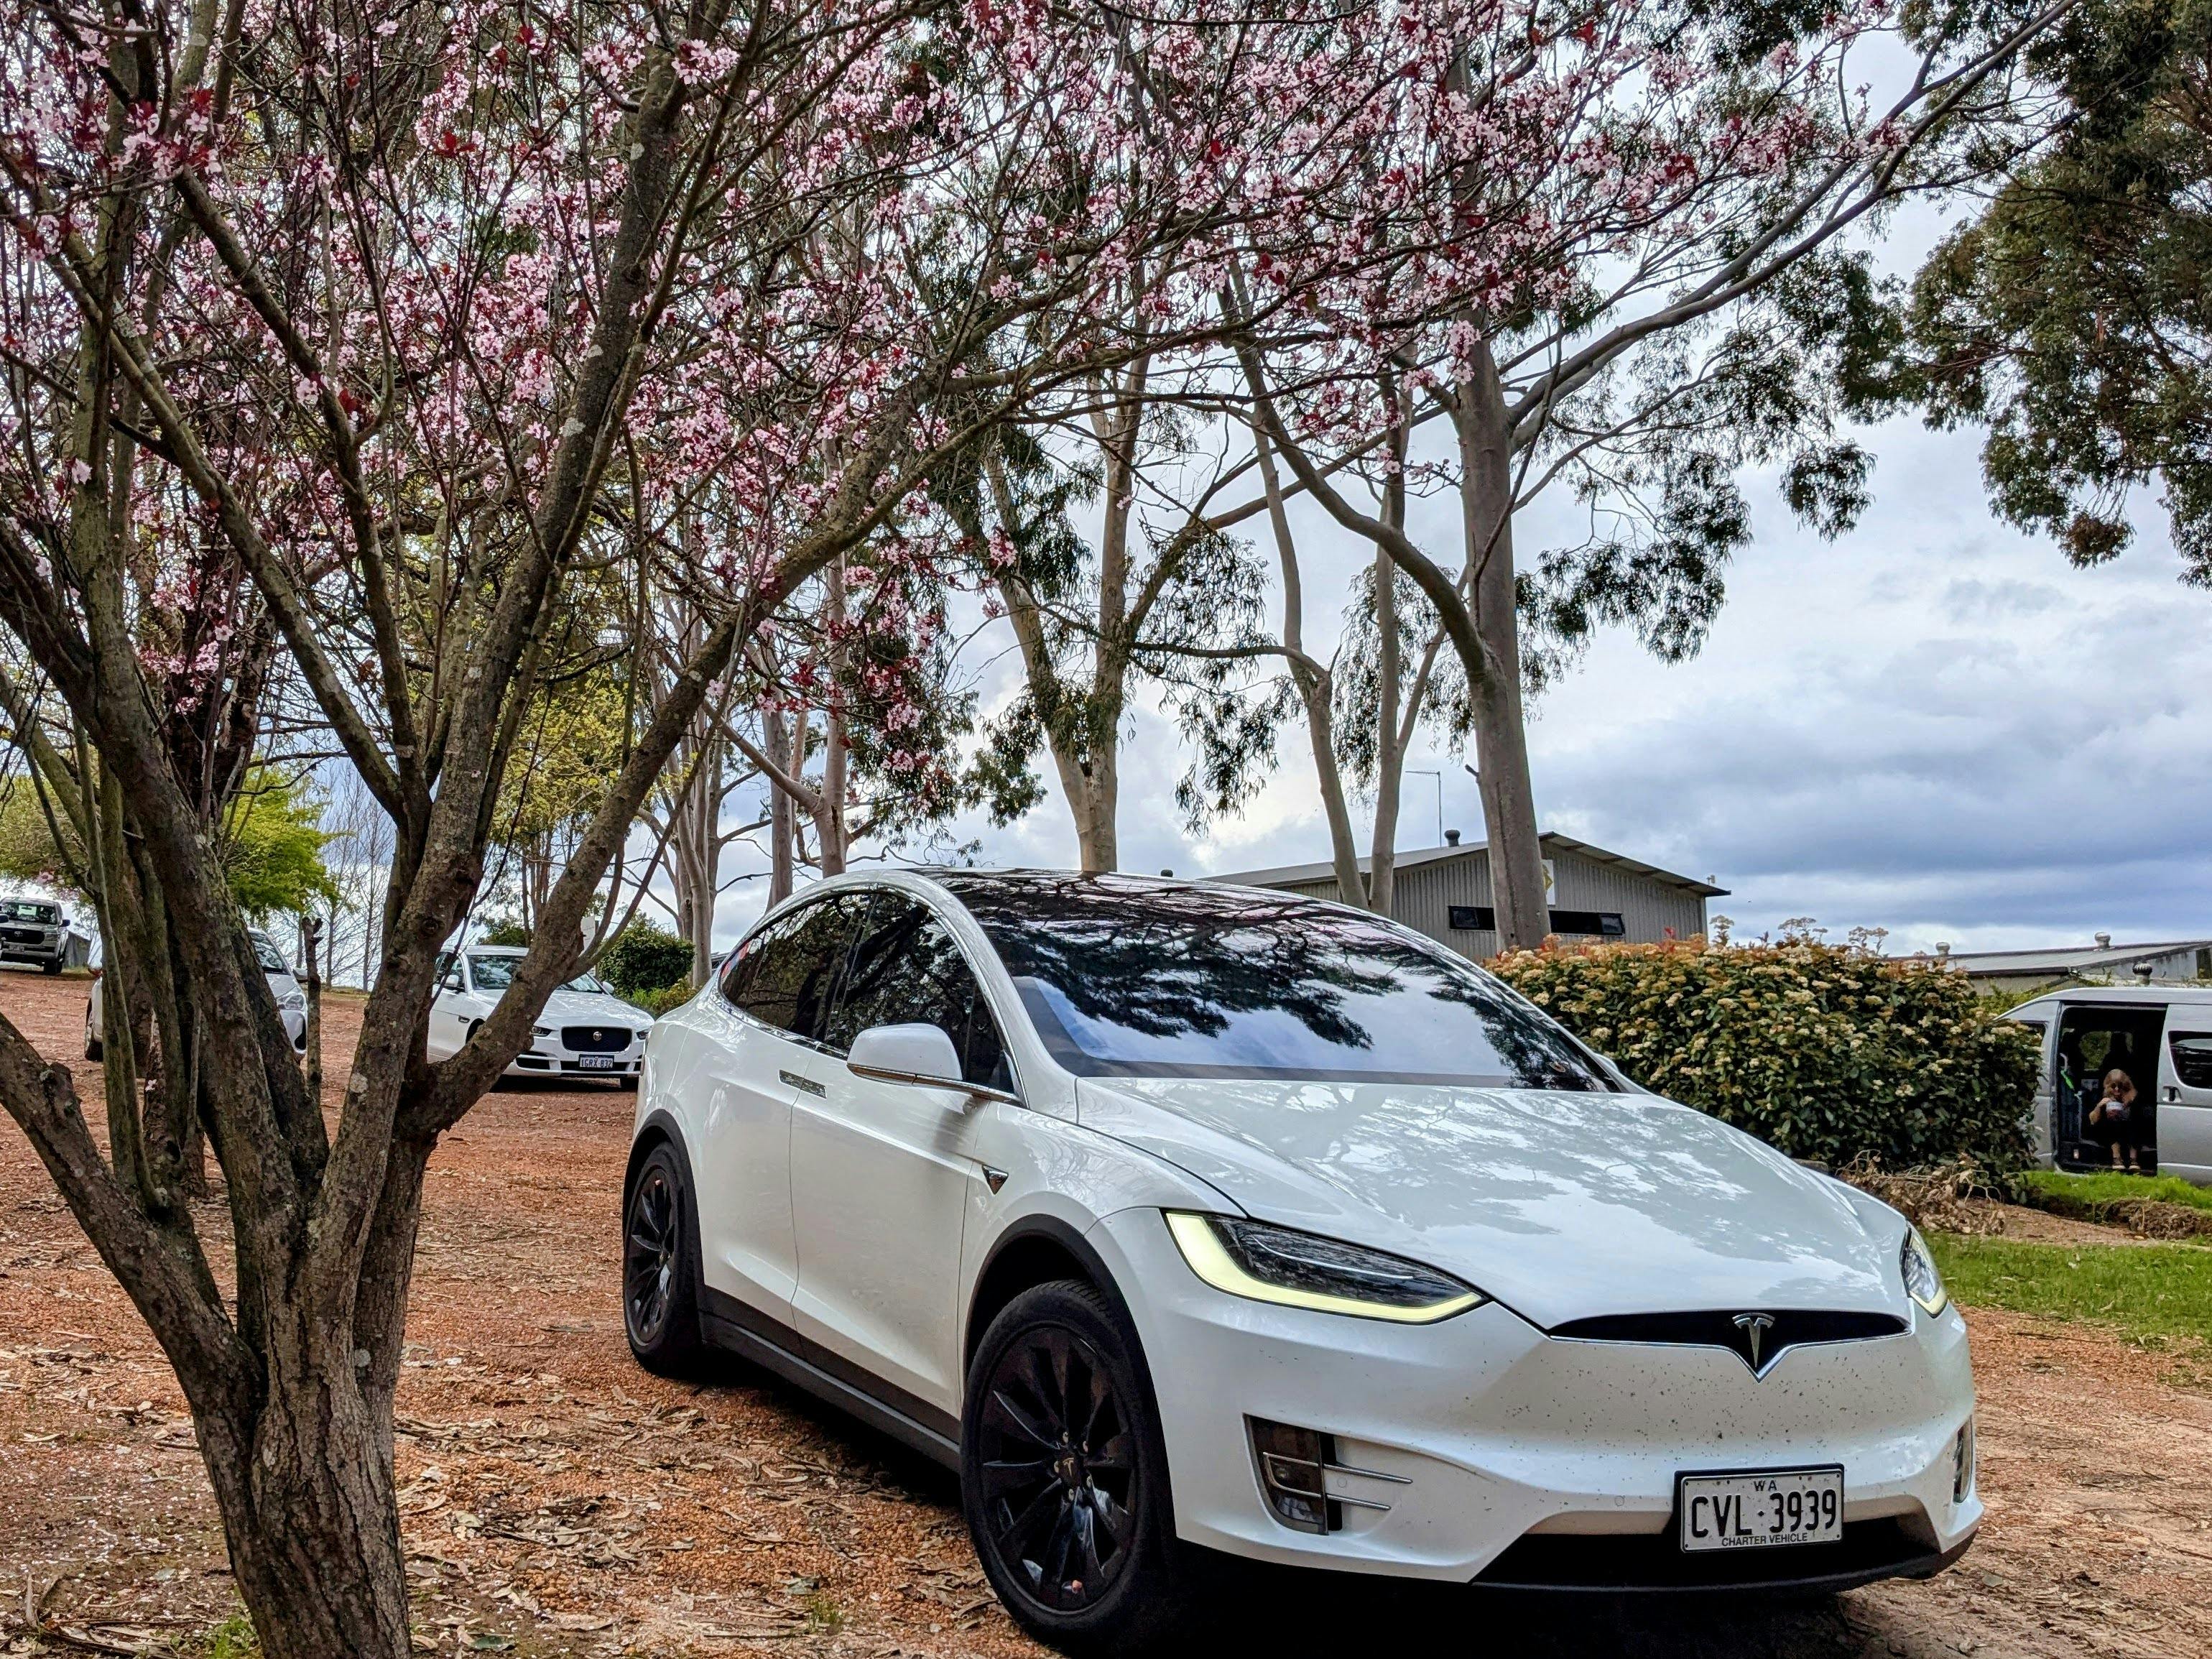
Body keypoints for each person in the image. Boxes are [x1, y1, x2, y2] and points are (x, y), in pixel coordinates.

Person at [2086, 1068, 2145, 1173]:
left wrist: (2128, 1104)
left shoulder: (2133, 1096)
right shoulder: (2103, 1096)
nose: (2117, 1089)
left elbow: (2140, 1117)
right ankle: (2116, 1158)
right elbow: (2092, 1120)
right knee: (2111, 1123)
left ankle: (2133, 1159)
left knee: (2134, 1123)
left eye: (2120, 1086)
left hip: (2129, 1131)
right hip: (2109, 1131)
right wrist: (2099, 1106)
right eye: (2113, 1086)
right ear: (2108, 1086)